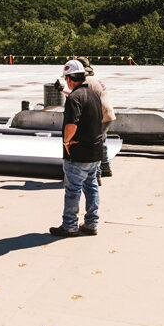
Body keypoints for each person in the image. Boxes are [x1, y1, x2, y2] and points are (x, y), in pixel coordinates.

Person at [50, 59, 104, 238]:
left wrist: (66, 142)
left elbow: (71, 125)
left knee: (73, 191)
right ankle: (91, 224)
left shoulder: (74, 98)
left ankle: (70, 226)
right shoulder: (93, 95)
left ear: (69, 78)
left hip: (78, 154)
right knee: (91, 187)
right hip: (95, 152)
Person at [62, 57, 116, 178]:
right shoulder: (94, 79)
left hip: (100, 114)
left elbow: (79, 96)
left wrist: (66, 141)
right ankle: (105, 167)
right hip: (107, 113)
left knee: (96, 143)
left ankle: (97, 173)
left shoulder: (86, 81)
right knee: (101, 140)